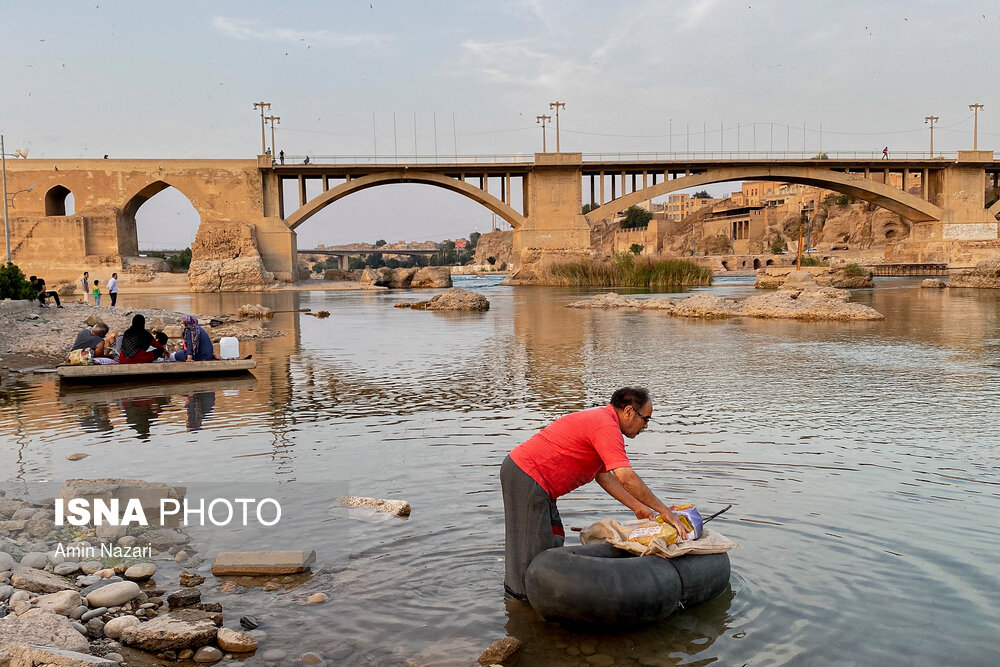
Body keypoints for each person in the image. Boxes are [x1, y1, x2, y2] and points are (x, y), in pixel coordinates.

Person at [500, 386, 690, 601]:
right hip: (527, 474)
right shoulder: (605, 425)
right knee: (529, 549)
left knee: (552, 538)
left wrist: (638, 507)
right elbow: (625, 477)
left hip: (538, 483)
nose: (645, 426)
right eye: (645, 419)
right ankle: (521, 601)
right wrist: (665, 512)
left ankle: (539, 598)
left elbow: (604, 476)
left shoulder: (604, 423)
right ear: (628, 411)